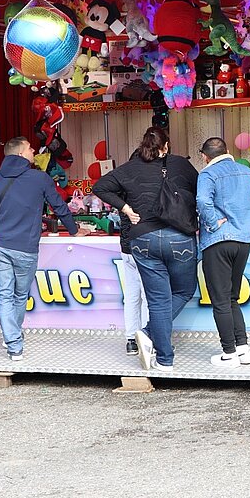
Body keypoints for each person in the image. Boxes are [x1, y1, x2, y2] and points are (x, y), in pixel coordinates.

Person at [93, 127, 198, 372]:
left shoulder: (128, 168)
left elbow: (100, 187)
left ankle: (165, 359)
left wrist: (127, 208)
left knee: (158, 300)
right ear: (167, 146)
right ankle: (148, 332)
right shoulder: (180, 165)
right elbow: (200, 190)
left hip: (142, 239)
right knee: (183, 291)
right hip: (179, 237)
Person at [0, 137, 85, 361]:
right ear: (22, 153)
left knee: (4, 295)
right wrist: (73, 230)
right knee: (20, 295)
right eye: (31, 148)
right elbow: (59, 206)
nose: (34, 151)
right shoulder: (39, 178)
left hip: (0, 246)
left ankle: (13, 342)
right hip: (26, 248)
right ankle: (13, 339)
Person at [197, 137, 250, 368]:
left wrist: (214, 224)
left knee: (221, 300)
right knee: (233, 297)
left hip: (218, 241)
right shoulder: (246, 172)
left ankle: (229, 353)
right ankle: (244, 349)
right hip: (243, 241)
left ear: (205, 156)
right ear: (227, 151)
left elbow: (202, 201)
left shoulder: (207, 174)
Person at [92, 150, 149, 357]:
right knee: (147, 296)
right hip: (145, 246)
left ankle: (131, 339)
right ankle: (146, 337)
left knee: (132, 296)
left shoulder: (121, 185)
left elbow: (99, 188)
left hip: (127, 246)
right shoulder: (146, 184)